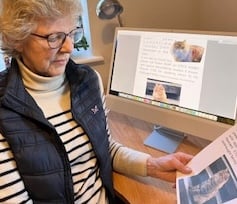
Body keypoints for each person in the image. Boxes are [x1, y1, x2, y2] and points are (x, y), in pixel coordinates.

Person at [0, 0, 193, 203]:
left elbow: (103, 147)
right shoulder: (5, 112)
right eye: (54, 38)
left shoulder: (88, 81)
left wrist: (153, 165)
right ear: (17, 39)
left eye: (72, 34)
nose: (69, 47)